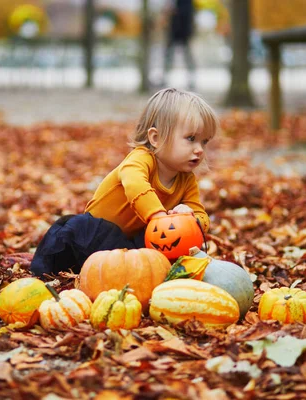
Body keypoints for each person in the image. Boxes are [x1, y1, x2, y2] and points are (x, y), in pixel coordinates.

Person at [30, 88, 218, 278]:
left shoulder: (187, 180)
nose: (199, 150)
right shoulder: (141, 160)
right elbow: (135, 183)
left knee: (158, 253)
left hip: (130, 244)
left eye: (204, 142)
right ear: (156, 138)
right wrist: (158, 215)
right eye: (191, 139)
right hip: (93, 235)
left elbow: (201, 214)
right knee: (73, 229)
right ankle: (44, 274)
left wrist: (193, 219)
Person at [162, 0, 196, 90]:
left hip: (184, 32)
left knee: (187, 58)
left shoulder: (187, 2)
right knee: (169, 56)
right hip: (174, 31)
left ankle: (191, 81)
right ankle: (165, 79)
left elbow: (188, 14)